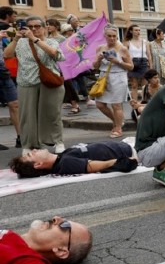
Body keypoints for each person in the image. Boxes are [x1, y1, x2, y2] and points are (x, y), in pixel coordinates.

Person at [3, 16, 65, 155]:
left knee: (52, 113)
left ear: (44, 28)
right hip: (26, 82)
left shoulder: (51, 41)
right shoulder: (20, 43)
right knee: (27, 116)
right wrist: (15, 39)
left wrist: (35, 39)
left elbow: (55, 54)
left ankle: (58, 141)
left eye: (37, 26)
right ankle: (29, 144)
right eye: (30, 26)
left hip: (49, 82)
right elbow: (7, 55)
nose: (33, 29)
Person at [9, 140, 138, 178]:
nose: (34, 150)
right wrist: (126, 161)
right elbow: (94, 166)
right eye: (31, 155)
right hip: (130, 151)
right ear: (38, 164)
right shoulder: (65, 163)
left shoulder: (61, 157)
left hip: (125, 144)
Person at [93, 26, 134, 138]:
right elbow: (95, 66)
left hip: (119, 77)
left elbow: (131, 67)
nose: (112, 38)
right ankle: (117, 121)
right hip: (104, 77)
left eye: (114, 36)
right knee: (100, 104)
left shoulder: (122, 49)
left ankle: (118, 128)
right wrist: (99, 59)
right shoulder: (100, 48)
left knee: (116, 105)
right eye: (109, 36)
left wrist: (117, 61)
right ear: (105, 36)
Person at [0, 11, 20, 150]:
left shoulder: (9, 28)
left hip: (3, 71)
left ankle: (21, 137)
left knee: (15, 104)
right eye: (13, 15)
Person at [125, 24, 151, 102]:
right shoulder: (127, 42)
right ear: (131, 31)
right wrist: (127, 65)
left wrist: (151, 66)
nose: (138, 32)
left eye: (139, 30)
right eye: (136, 30)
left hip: (144, 62)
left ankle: (144, 102)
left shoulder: (145, 42)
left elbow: (149, 55)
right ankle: (135, 103)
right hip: (133, 63)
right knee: (134, 85)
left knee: (144, 85)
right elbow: (125, 55)